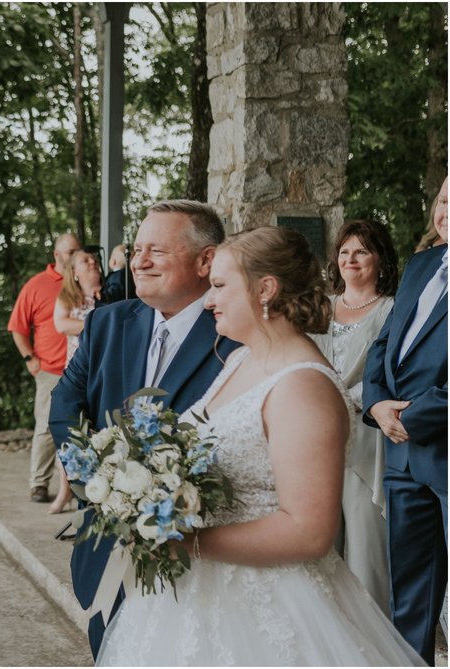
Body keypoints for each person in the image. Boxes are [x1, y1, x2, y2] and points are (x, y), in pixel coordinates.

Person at [95, 226, 424, 666]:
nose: (208, 300)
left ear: (265, 289)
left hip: (271, 605)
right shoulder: (241, 357)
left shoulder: (303, 386)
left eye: (218, 285)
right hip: (194, 595)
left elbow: (309, 531)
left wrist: (187, 542)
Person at [49, 200, 237, 658]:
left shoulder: (234, 335)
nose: (139, 261)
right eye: (136, 249)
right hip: (104, 542)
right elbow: (65, 404)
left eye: (157, 250)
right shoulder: (107, 322)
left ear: (206, 261)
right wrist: (97, 485)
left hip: (192, 556)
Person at [363, 175, 448, 665]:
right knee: (410, 595)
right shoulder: (422, 264)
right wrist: (376, 405)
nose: (445, 213)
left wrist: (415, 416)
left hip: (441, 444)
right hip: (402, 455)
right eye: (442, 201)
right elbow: (384, 344)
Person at [310, 219, 399, 614]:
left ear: (380, 258)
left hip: (365, 439)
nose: (351, 259)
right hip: (317, 438)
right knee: (319, 546)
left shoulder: (393, 310)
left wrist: (345, 400)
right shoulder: (320, 307)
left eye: (362, 250)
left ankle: (373, 641)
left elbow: (396, 371)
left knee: (365, 548)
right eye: (345, 251)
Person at [9, 232, 81, 503]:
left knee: (80, 428)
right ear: (57, 255)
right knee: (46, 427)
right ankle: (39, 483)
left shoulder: (83, 280)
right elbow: (17, 327)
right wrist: (30, 357)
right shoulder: (36, 285)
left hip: (83, 369)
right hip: (51, 369)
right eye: (69, 251)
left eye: (78, 250)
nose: (75, 255)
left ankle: (78, 484)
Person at [49, 250, 103, 514]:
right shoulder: (69, 297)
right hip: (77, 371)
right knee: (71, 432)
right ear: (74, 272)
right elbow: (61, 324)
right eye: (85, 261)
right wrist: (100, 325)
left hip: (104, 370)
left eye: (94, 259)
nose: (92, 262)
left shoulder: (110, 292)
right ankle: (65, 489)